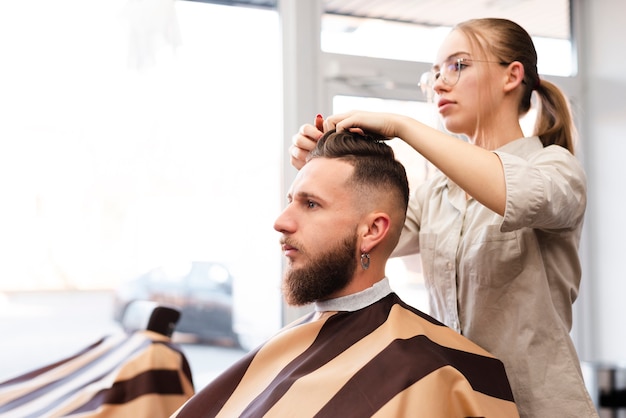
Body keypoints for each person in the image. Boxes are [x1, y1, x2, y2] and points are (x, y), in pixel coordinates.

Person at [290, 18, 597, 417]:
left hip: (537, 408)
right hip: (460, 405)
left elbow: (512, 191)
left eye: (458, 66)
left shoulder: (557, 169)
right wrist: (317, 173)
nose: (438, 84)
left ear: (512, 76)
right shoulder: (438, 191)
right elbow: (361, 235)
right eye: (434, 73)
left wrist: (403, 127)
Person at [171, 129, 519, 417]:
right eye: (291, 200)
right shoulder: (287, 345)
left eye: (310, 204)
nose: (281, 222)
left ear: (371, 231)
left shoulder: (440, 373)